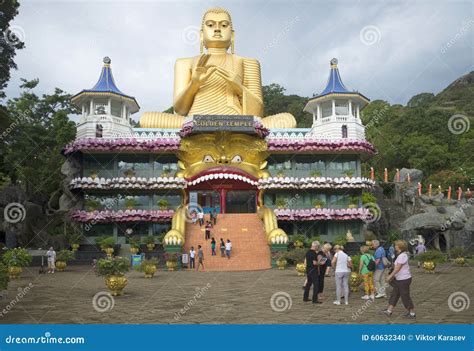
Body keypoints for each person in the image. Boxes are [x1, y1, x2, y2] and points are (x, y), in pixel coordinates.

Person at [382, 240, 416, 318]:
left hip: (403, 279)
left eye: (396, 245)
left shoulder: (402, 256)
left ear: (400, 247)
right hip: (400, 279)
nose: (395, 247)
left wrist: (390, 276)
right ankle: (389, 310)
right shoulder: (400, 255)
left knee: (405, 296)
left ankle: (412, 313)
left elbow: (397, 268)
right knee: (395, 294)